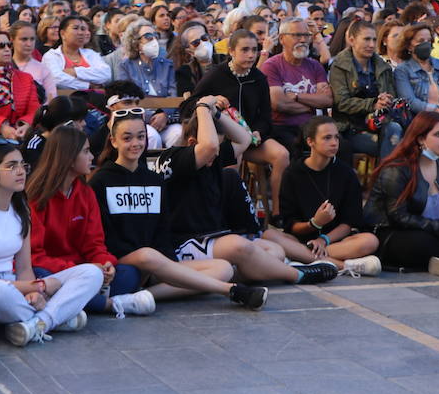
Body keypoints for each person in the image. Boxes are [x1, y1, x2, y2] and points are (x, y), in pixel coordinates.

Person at [90, 107, 268, 310]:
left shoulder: (153, 180)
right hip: (123, 259)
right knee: (147, 254)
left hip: (156, 261)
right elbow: (103, 234)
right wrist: (149, 262)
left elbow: (162, 228)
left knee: (223, 267)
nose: (136, 144)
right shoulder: (101, 181)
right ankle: (231, 291)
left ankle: (137, 298)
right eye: (127, 138)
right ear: (114, 141)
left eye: (140, 137)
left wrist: (166, 264)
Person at [155, 98, 337, 286]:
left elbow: (245, 138)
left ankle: (231, 273)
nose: (218, 155)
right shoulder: (172, 158)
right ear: (192, 142)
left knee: (275, 251)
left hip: (212, 240)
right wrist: (202, 107)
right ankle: (297, 274)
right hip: (183, 243)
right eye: (216, 150)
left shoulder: (213, 158)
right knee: (240, 246)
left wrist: (216, 113)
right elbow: (209, 147)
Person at [0, 141, 102, 345]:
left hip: (13, 292)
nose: (20, 171)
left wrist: (34, 293)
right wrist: (40, 286)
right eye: (11, 166)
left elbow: (24, 268)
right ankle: (55, 316)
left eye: (22, 165)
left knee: (91, 272)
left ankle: (38, 323)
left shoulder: (21, 211)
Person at [25, 125, 156, 317]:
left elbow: (94, 243)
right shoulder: (37, 196)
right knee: (40, 276)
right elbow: (33, 255)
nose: (92, 157)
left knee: (129, 274)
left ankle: (70, 304)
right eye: (86, 151)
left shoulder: (86, 193)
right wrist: (78, 270)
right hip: (52, 271)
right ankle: (109, 305)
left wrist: (105, 264)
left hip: (85, 271)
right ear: (68, 158)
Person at [366, 111, 439, 278]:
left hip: (433, 229)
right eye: (438, 134)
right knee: (425, 243)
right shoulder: (397, 169)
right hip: (395, 232)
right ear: (421, 139)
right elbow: (398, 217)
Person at [188, 29, 289, 213]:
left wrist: (259, 131)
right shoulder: (217, 74)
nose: (251, 55)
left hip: (253, 138)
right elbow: (189, 105)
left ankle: (277, 212)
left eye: (254, 49)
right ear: (231, 51)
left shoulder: (258, 78)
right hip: (225, 138)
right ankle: (228, 213)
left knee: (282, 155)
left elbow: (266, 117)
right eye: (244, 50)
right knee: (233, 159)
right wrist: (212, 100)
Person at [277, 116, 382, 275]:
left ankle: (302, 257)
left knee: (370, 241)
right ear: (310, 141)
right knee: (268, 235)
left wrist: (323, 240)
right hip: (301, 239)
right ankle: (345, 266)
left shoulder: (346, 173)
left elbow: (349, 223)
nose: (334, 143)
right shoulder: (293, 173)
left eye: (336, 137)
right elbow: (290, 224)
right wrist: (314, 223)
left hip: (333, 242)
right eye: (327, 138)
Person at [329, 19, 402, 159]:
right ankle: (385, 179)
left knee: (397, 133)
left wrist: (386, 100)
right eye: (366, 39)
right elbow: (341, 102)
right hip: (350, 128)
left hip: (381, 122)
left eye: (374, 40)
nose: (371, 45)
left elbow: (392, 96)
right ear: (351, 40)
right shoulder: (339, 66)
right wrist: (373, 104)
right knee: (391, 146)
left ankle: (387, 179)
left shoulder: (383, 66)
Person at [260, 17, 333, 153]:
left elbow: (327, 100)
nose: (303, 40)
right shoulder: (271, 66)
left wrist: (296, 96)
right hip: (282, 127)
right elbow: (279, 104)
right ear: (282, 39)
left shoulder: (314, 65)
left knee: (342, 146)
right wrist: (312, 105)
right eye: (297, 35)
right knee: (296, 149)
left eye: (306, 35)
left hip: (312, 127)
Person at [393, 23, 439, 113]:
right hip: (422, 120)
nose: (426, 44)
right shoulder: (402, 70)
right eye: (421, 41)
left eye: (428, 40)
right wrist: (436, 111)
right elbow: (410, 101)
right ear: (409, 46)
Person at [42, 15, 111, 101]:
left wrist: (75, 71)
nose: (81, 33)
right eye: (75, 28)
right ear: (63, 33)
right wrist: (88, 85)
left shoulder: (91, 54)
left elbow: (106, 74)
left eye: (82, 29)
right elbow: (56, 79)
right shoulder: (51, 56)